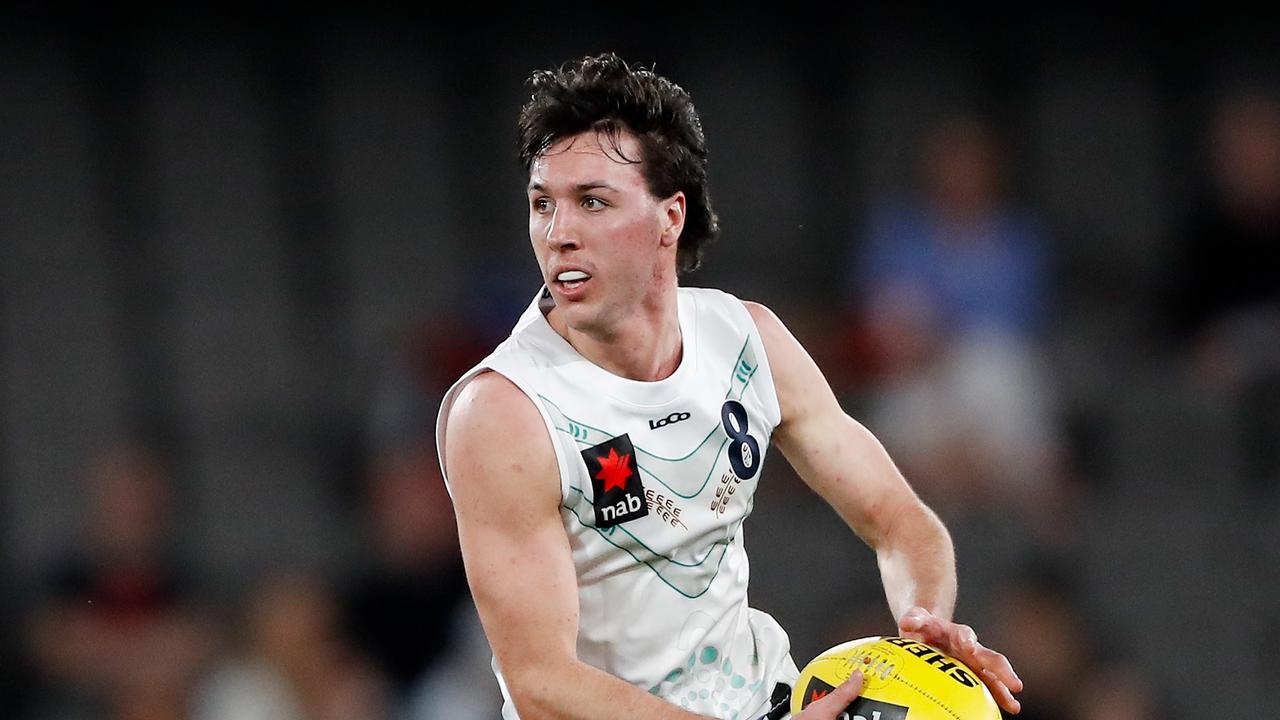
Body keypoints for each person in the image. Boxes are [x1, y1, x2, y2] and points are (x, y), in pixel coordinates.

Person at [435, 53, 1022, 720]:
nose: (558, 233)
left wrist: (923, 619)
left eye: (592, 202)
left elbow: (896, 518)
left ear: (669, 217)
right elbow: (542, 686)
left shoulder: (747, 341)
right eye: (543, 204)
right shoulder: (504, 412)